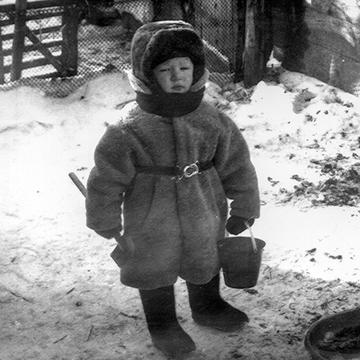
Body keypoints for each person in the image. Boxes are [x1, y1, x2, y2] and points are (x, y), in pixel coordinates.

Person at [85, 20, 260, 358]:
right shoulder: (128, 130)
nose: (178, 76)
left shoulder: (213, 120)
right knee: (153, 267)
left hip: (203, 207)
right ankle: (163, 325)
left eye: (185, 67)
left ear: (197, 71)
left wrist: (244, 207)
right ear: (147, 75)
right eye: (166, 70)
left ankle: (208, 306)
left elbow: (238, 166)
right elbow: (105, 178)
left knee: (205, 258)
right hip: (150, 215)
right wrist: (103, 217)